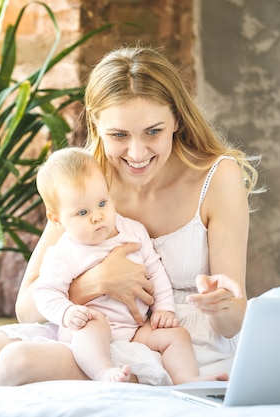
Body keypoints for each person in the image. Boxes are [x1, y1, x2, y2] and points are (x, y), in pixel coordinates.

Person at [0, 45, 260, 389]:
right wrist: (97, 282)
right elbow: (27, 307)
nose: (137, 154)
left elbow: (233, 323)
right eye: (119, 135)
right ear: (95, 123)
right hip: (87, 326)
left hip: (172, 341)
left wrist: (221, 303)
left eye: (153, 131)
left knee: (16, 365)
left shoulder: (217, 177)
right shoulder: (87, 179)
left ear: (177, 120)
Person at [34, 147, 210, 384]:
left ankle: (187, 379)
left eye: (102, 203)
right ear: (57, 219)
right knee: (92, 326)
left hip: (136, 329)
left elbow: (156, 272)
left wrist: (164, 309)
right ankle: (101, 371)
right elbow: (45, 292)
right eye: (83, 212)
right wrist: (66, 313)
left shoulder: (133, 231)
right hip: (91, 327)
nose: (97, 216)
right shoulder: (64, 252)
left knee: (176, 335)